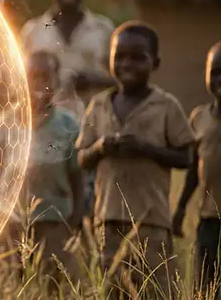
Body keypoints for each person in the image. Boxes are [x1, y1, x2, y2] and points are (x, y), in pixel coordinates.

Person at [76, 21, 194, 298]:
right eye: (120, 57)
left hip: (151, 220)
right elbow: (82, 157)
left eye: (138, 57)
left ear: (156, 63)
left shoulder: (166, 105)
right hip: (107, 220)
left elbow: (185, 158)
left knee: (154, 290)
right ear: (110, 61)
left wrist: (145, 148)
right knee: (112, 290)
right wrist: (102, 148)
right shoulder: (99, 105)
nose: (127, 64)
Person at [19, 0, 116, 218]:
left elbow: (121, 79)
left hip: (93, 129)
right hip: (48, 134)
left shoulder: (103, 29)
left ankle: (90, 257)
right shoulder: (33, 31)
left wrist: (94, 80)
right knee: (51, 208)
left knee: (93, 204)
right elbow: (18, 83)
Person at [0, 51, 83, 288]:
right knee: (12, 281)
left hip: (55, 220)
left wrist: (76, 218)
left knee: (52, 283)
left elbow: (77, 173)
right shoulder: (7, 122)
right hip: (12, 220)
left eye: (45, 77)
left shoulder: (68, 124)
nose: (37, 84)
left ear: (56, 82)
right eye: (31, 76)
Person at [173, 41, 221, 298]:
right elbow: (193, 169)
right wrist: (180, 208)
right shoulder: (199, 118)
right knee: (205, 285)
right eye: (215, 72)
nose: (220, 79)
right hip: (208, 219)